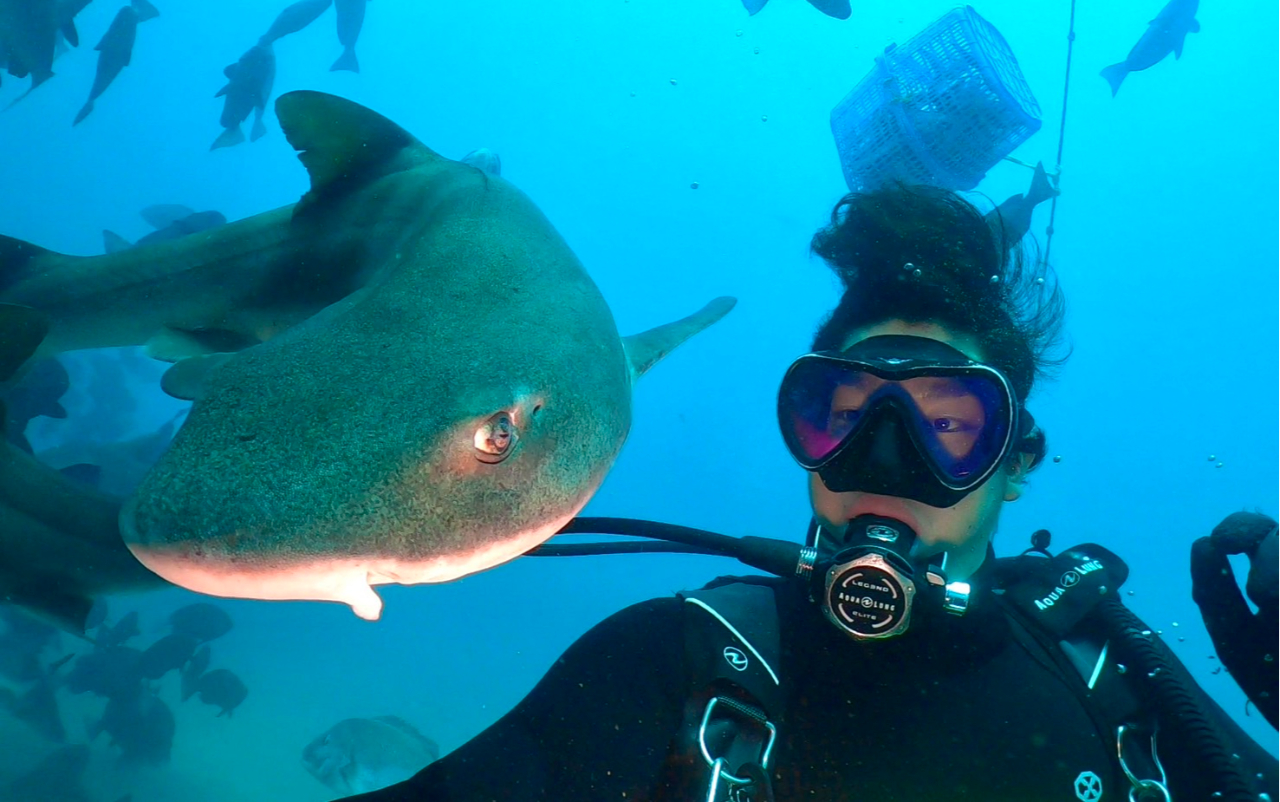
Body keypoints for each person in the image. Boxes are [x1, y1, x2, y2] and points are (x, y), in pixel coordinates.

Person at [348, 184, 1278, 802]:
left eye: (947, 424)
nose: (887, 463)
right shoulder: (685, 665)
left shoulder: (1121, 686)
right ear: (805, 439)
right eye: (847, 416)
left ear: (1019, 459)